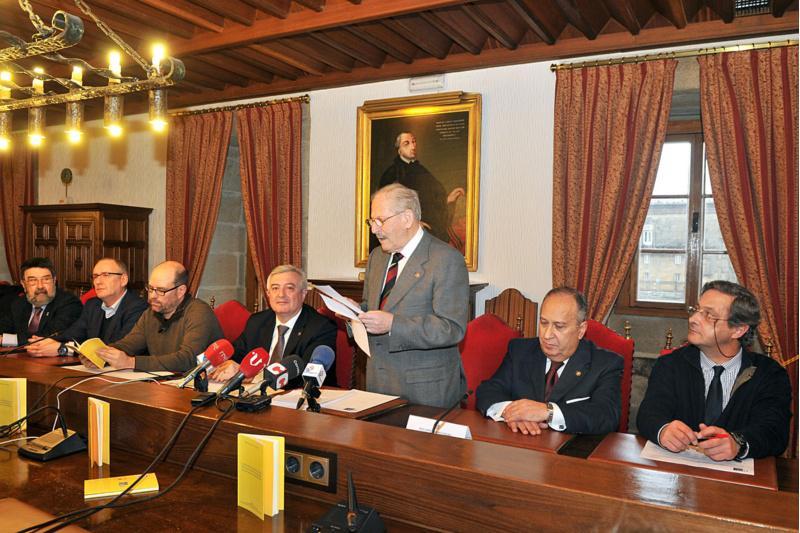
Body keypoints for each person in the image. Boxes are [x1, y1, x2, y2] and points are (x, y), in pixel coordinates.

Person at [637, 280, 792, 461]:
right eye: (696, 310)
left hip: (738, 481)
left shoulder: (769, 374)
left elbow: (774, 431)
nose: (693, 319)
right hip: (680, 475)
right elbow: (649, 414)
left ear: (738, 330)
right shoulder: (671, 364)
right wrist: (663, 430)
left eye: (709, 315)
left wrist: (738, 443)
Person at [359, 183, 468, 408]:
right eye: (372, 221)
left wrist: (393, 325)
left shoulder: (445, 259)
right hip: (378, 386)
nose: (374, 229)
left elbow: (451, 328)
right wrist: (353, 315)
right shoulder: (377, 258)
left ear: (407, 218)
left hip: (425, 392)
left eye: (380, 220)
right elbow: (372, 309)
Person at [476, 287, 623, 435]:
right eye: (544, 323)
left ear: (581, 330)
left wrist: (548, 412)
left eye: (559, 326)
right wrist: (513, 413)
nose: (547, 335)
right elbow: (488, 390)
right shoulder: (520, 351)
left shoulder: (605, 364)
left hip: (570, 451)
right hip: (520, 448)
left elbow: (605, 416)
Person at [209, 265, 337, 388]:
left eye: (290, 288)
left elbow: (302, 375)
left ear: (303, 293)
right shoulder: (257, 321)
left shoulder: (321, 327)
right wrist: (229, 365)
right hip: (256, 398)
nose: (281, 294)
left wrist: (248, 374)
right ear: (268, 293)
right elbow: (237, 354)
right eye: (275, 288)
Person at [86, 261, 223, 372]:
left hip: (197, 387)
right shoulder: (151, 314)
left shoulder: (199, 312)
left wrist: (131, 362)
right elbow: (129, 344)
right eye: (150, 289)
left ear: (181, 291)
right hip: (162, 384)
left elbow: (188, 359)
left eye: (161, 290)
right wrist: (98, 354)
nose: (152, 296)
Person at [26, 258, 147, 357]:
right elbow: (73, 335)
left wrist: (63, 349)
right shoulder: (92, 305)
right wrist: (50, 341)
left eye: (105, 275)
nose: (98, 282)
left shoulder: (137, 308)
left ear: (123, 280)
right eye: (95, 276)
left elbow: (115, 348)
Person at [379, 132, 466, 249]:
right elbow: (386, 209)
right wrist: (414, 224)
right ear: (399, 150)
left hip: (431, 224)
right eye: (407, 143)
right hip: (410, 232)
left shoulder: (420, 169)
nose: (413, 146)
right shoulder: (392, 174)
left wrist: (447, 199)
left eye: (414, 142)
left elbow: (430, 196)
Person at [0, 257, 81, 347]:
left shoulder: (69, 303)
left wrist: (7, 339)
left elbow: (48, 337)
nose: (40, 286)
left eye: (46, 279)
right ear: (23, 284)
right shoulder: (18, 304)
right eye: (33, 281)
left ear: (54, 281)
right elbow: (3, 329)